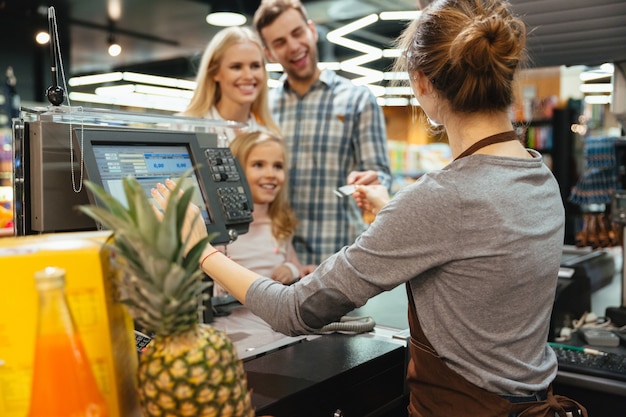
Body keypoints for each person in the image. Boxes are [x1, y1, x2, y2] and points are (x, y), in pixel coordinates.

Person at [160, 0, 588, 415]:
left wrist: (204, 250)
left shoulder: (442, 197)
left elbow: (292, 312)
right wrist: (399, 210)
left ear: (421, 82)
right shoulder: (539, 176)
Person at [252, 0, 392, 265]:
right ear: (269, 53)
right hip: (278, 260)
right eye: (279, 42)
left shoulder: (357, 99)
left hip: (339, 259)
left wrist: (372, 182)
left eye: (297, 33)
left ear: (312, 31)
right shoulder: (263, 108)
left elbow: (380, 173)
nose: (293, 46)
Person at [213, 130, 315, 284]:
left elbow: (294, 264)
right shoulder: (220, 229)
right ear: (233, 171)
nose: (271, 174)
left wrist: (291, 269)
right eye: (258, 165)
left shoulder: (280, 223)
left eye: (278, 166)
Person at [181, 26, 280, 144]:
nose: (248, 76)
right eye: (236, 67)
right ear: (215, 72)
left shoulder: (271, 138)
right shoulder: (184, 129)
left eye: (255, 66)